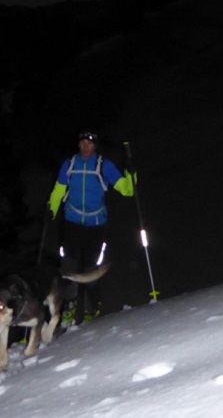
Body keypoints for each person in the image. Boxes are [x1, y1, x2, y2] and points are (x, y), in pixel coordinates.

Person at [47, 130, 135, 326]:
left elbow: (128, 190)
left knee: (91, 268)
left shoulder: (104, 166)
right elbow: (59, 190)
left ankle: (90, 308)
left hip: (96, 226)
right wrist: (51, 210)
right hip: (72, 223)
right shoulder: (69, 165)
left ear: (95, 146)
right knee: (68, 267)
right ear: (78, 145)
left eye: (90, 143)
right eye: (82, 143)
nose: (85, 147)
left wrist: (130, 172)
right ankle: (68, 309)